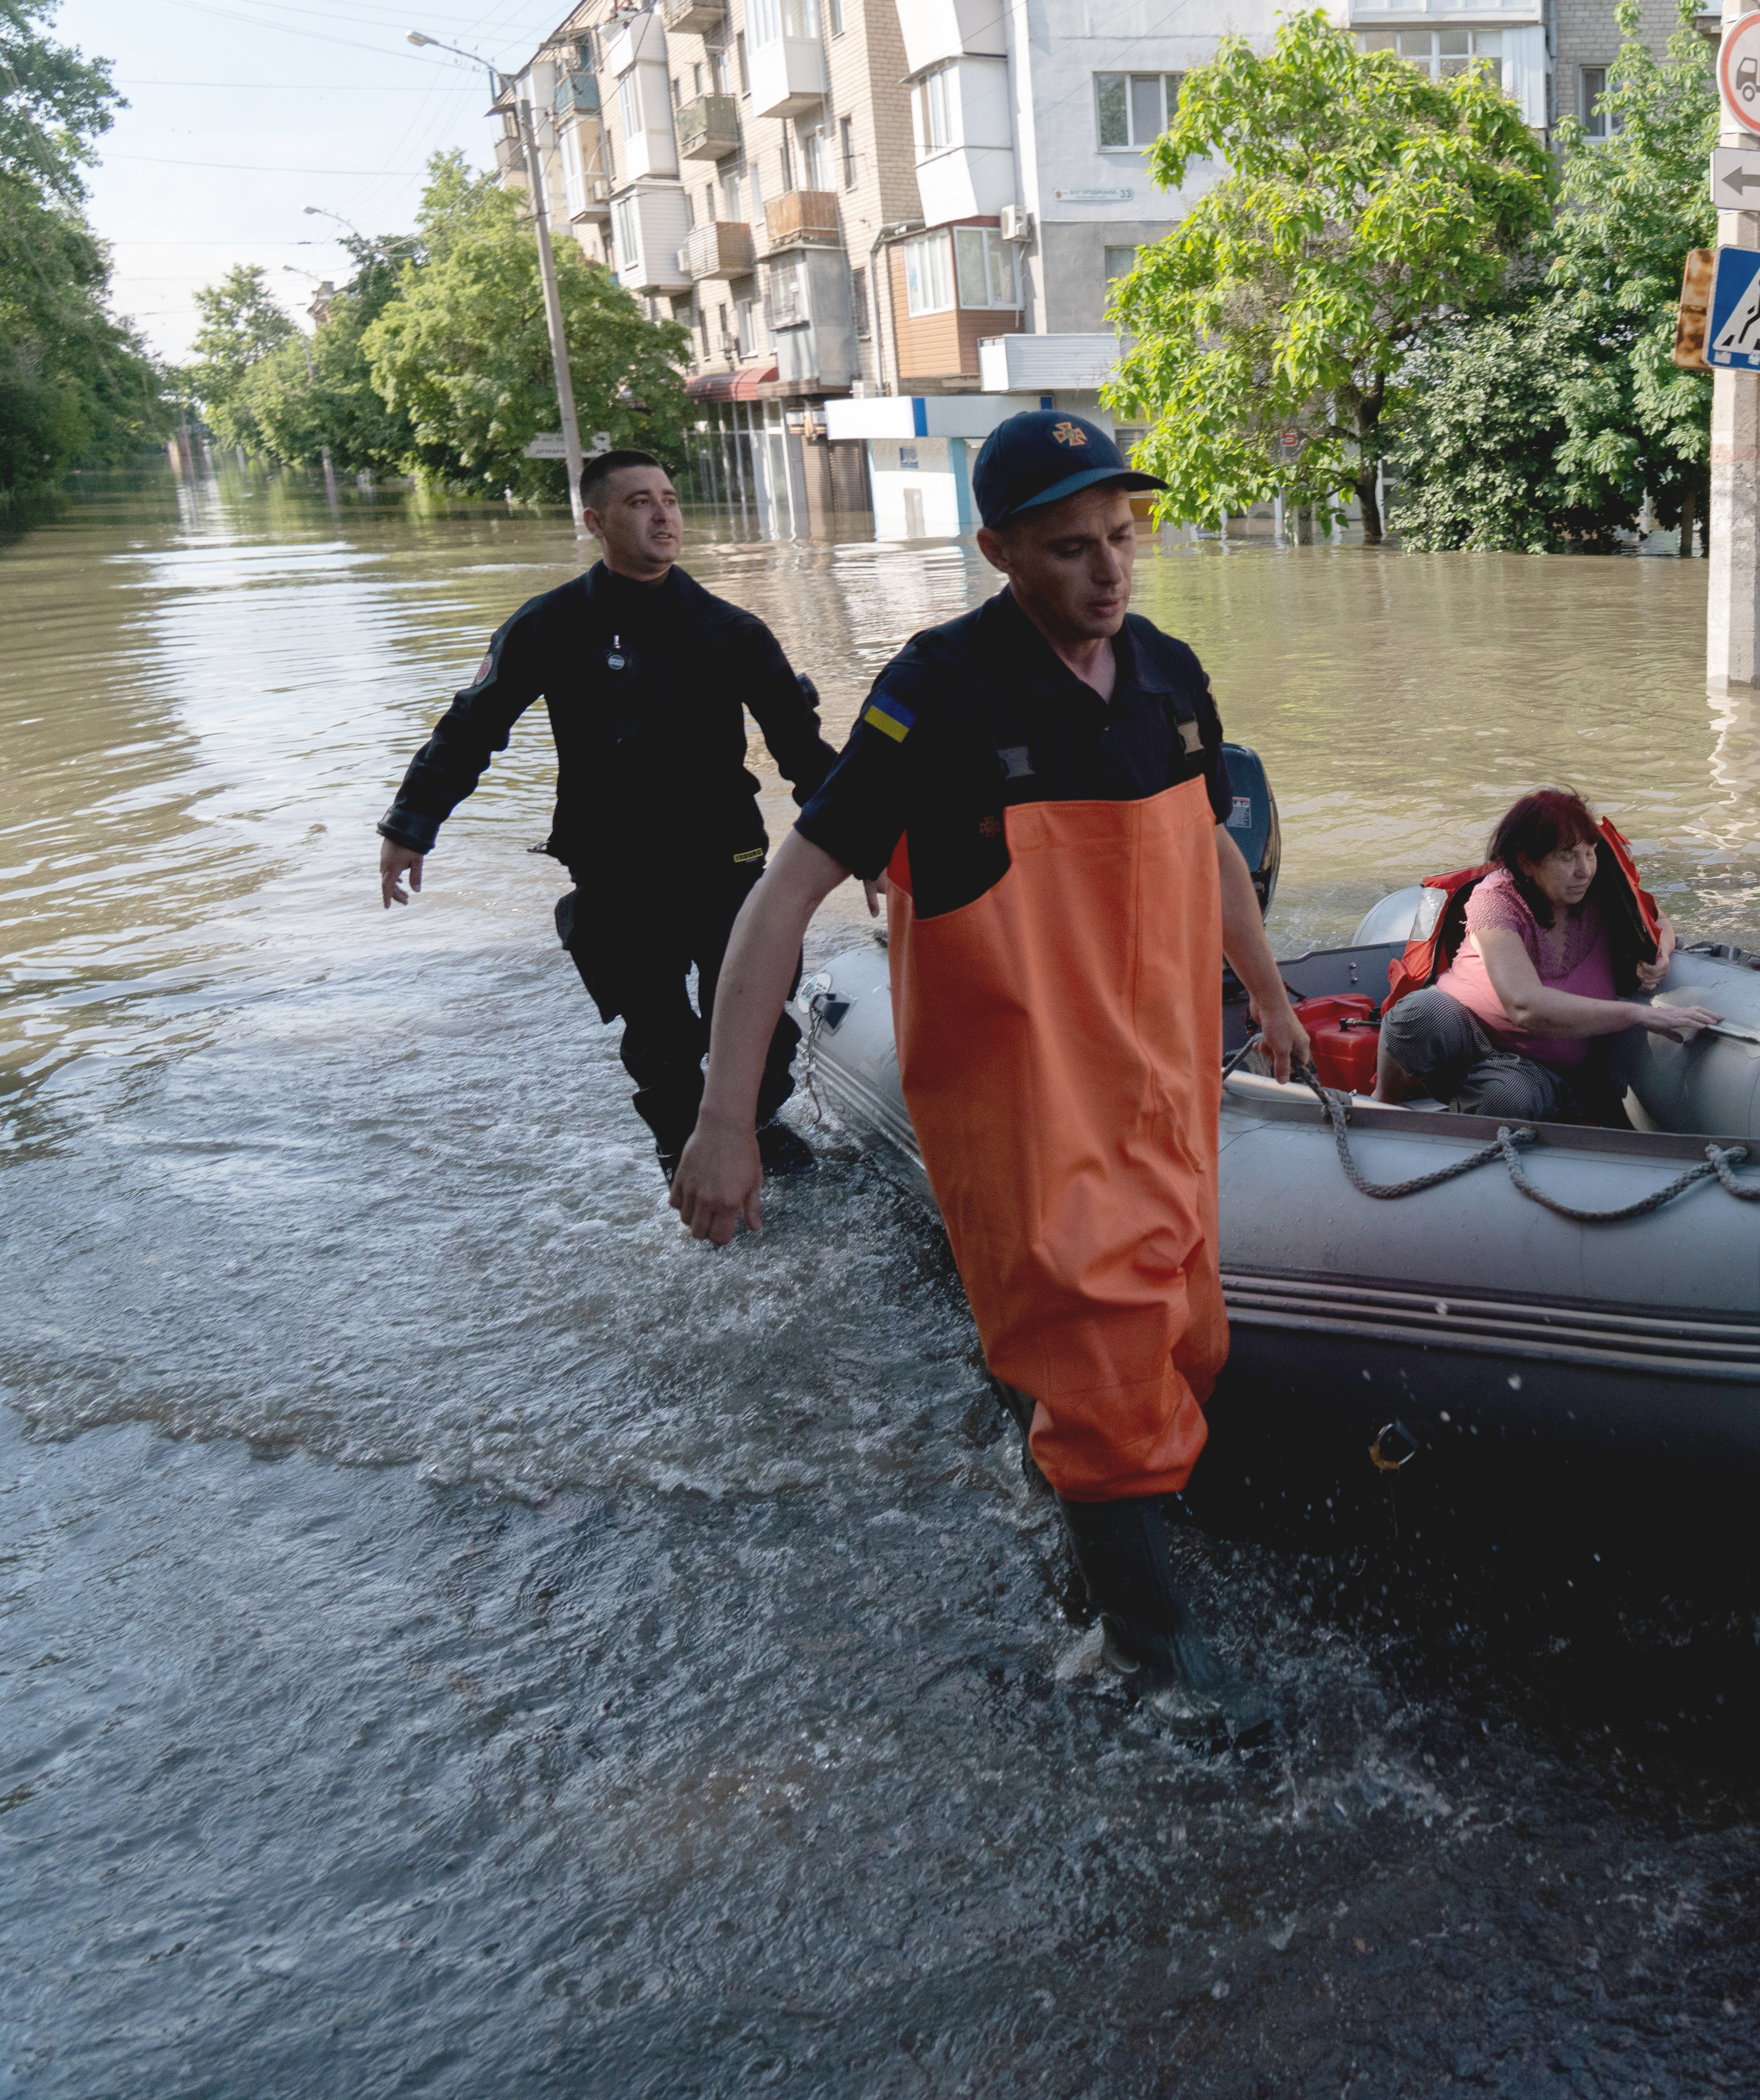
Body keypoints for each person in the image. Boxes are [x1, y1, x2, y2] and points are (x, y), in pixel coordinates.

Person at [666, 412, 1312, 1746]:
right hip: (1019, 1107)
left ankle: (1075, 1541)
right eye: (1070, 548)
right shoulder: (937, 692)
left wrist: (1268, 992)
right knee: (1096, 1353)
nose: (1107, 571)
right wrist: (726, 1119)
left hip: (1157, 1087)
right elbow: (783, 898)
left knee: (1183, 1333)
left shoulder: (1172, 681)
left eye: (1122, 540)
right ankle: (1154, 1654)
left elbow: (1201, 852)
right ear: (998, 549)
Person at [375, 448, 839, 1181]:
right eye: (638, 503)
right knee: (660, 1040)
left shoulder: (730, 630)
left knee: (757, 1025)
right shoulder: (550, 626)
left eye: (670, 499)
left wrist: (871, 845)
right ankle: (679, 1158)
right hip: (617, 869)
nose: (663, 515)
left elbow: (802, 749)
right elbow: (472, 727)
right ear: (595, 522)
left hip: (728, 861)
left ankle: (758, 1133)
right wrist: (410, 826)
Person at [1374, 789, 1719, 1121]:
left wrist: (1663, 952)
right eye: (1567, 857)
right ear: (1526, 862)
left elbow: (1658, 921)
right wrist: (1638, 1015)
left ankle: (1459, 1123)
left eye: (1589, 853)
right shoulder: (1495, 899)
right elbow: (1524, 1006)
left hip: (1536, 1065)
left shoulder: (1603, 893)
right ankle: (1382, 1104)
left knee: (1506, 1098)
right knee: (1418, 1013)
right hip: (1460, 1031)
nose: (1584, 870)